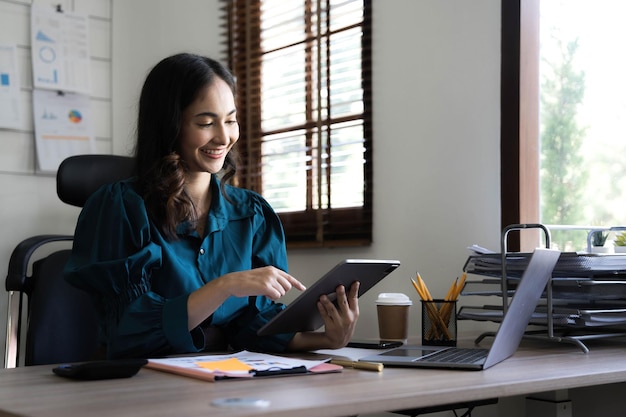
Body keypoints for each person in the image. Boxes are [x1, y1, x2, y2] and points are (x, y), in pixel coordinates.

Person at [64, 53, 360, 359]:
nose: (224, 136)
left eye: (231, 120)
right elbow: (129, 330)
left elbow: (254, 326)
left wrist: (326, 340)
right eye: (206, 122)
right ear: (169, 125)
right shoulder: (120, 208)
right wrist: (224, 287)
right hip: (140, 385)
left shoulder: (252, 213)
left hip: (218, 381)